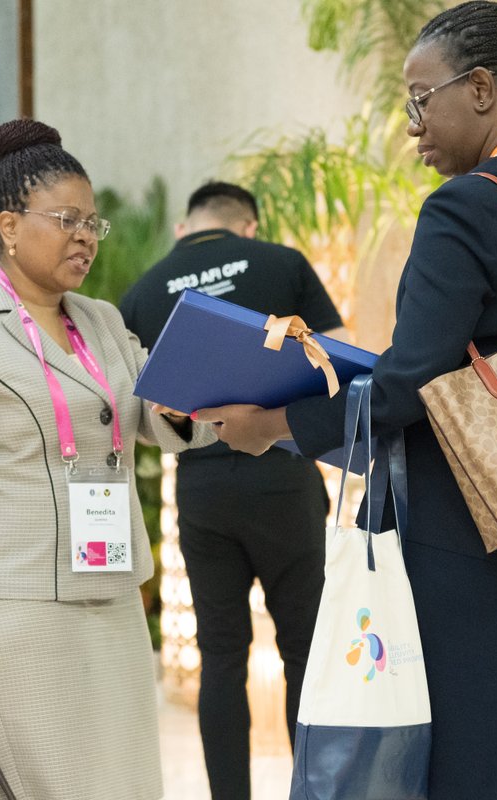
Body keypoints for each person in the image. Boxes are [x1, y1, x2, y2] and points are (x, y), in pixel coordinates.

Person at [198, 4, 497, 799]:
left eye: (419, 99)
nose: (412, 126)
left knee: (466, 765)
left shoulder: (463, 209)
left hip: (464, 551)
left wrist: (278, 424)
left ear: (478, 91)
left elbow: (411, 384)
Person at [0, 118, 216, 800]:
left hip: (111, 597)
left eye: (93, 224)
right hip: (16, 612)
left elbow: (155, 420)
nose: (86, 237)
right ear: (8, 227)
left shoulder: (101, 319)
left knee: (126, 785)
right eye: (68, 219)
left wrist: (206, 391)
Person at [119, 181, 346, 799]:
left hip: (202, 487)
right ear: (248, 226)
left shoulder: (142, 291)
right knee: (303, 647)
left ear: (182, 229)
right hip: (282, 474)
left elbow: (141, 412)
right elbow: (331, 360)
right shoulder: (282, 262)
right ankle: (316, 790)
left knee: (222, 655)